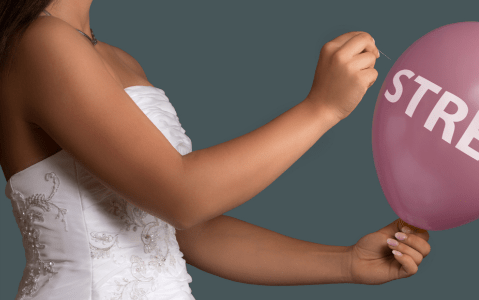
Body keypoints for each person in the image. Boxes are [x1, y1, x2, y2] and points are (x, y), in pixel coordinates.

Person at [0, 0, 431, 298]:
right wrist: (322, 109)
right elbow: (182, 196)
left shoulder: (116, 58)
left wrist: (347, 263)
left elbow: (190, 229)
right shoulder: (40, 42)